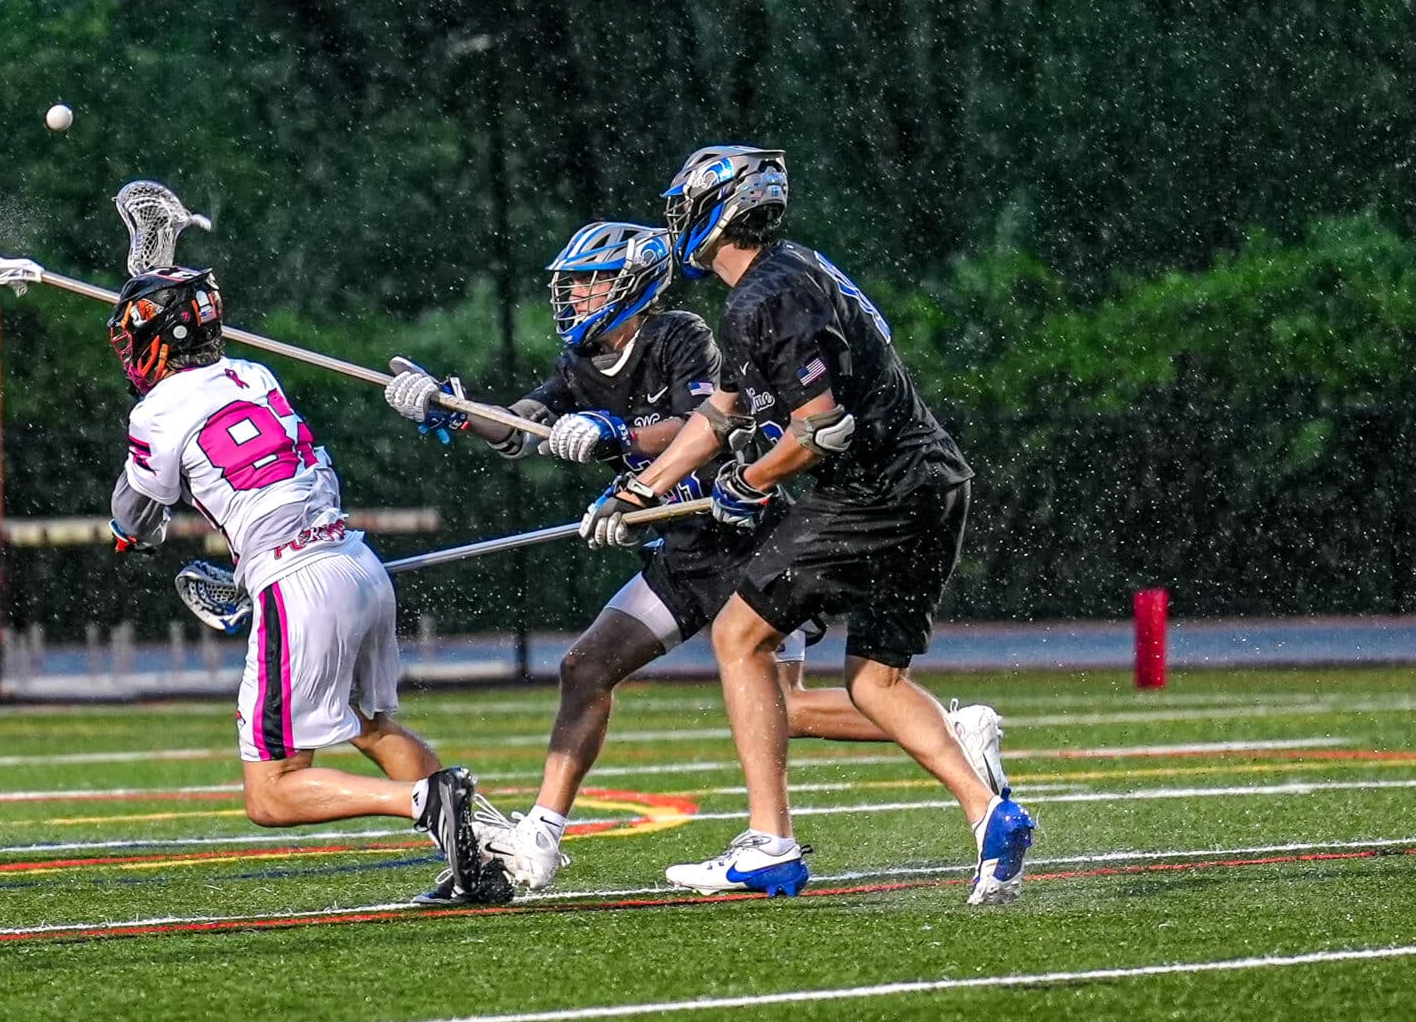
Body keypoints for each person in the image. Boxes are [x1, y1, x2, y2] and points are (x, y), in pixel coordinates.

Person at [385, 222, 1003, 893]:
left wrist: (617, 436)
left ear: (632, 286)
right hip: (682, 555)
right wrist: (449, 407)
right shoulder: (580, 363)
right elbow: (519, 429)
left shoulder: (681, 336)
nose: (578, 296)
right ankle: (541, 835)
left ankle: (941, 738)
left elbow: (703, 422)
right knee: (586, 667)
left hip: (746, 540)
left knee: (784, 708)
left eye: (591, 283)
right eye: (575, 285)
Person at [581, 148, 1034, 905]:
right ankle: (991, 814)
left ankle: (771, 843)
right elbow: (721, 411)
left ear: (720, 211)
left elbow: (821, 429)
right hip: (933, 482)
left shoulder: (763, 296)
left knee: (738, 636)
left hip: (875, 491)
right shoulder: (786, 272)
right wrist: (638, 490)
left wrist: (749, 483)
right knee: (874, 682)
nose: (677, 222)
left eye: (685, 207)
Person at [107, 265, 511, 905]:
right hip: (355, 562)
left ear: (160, 338)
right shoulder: (253, 374)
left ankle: (425, 800)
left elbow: (134, 516)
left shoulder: (156, 410)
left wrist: (132, 529)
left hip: (298, 583)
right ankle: (485, 857)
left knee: (271, 794)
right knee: (370, 727)